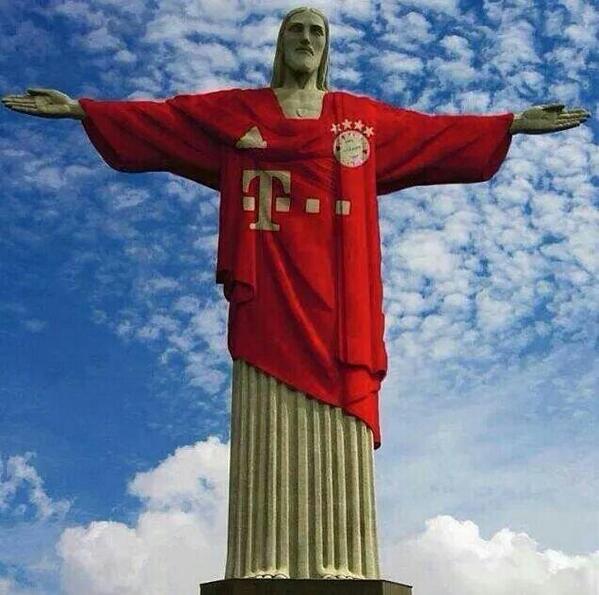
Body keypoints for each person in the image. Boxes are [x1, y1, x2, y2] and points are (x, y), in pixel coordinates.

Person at [2, 5, 590, 581]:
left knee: (338, 414)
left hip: (340, 298)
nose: (307, 39)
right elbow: (166, 122)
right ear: (281, 44)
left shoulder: (358, 121)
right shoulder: (239, 114)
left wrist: (509, 123)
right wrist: (82, 110)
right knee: (268, 418)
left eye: (316, 31)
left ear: (326, 47)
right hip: (267, 290)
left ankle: (346, 564)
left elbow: (433, 133)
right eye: (296, 30)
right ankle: (263, 563)